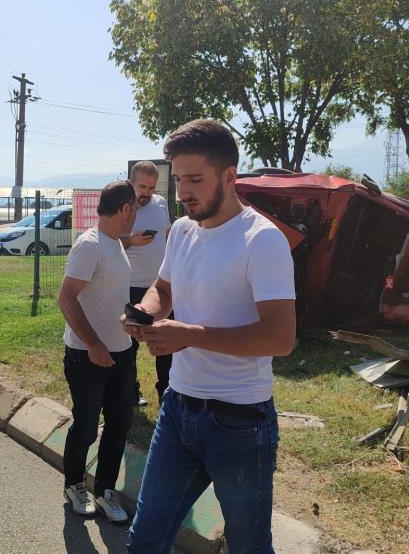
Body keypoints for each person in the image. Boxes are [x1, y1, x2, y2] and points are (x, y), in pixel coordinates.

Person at [124, 120, 296, 553]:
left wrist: (188, 335)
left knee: (248, 546)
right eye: (178, 179)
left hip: (239, 421)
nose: (183, 191)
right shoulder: (182, 231)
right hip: (177, 409)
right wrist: (146, 313)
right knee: (144, 541)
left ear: (229, 176)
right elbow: (163, 290)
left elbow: (280, 338)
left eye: (195, 179)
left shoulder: (262, 240)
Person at [57, 180, 138, 524]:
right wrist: (93, 344)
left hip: (122, 353)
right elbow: (66, 298)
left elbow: (109, 296)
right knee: (86, 427)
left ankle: (105, 491)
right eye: (135, 207)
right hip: (86, 356)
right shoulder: (90, 245)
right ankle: (75, 485)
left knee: (119, 426)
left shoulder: (116, 243)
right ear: (125, 208)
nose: (136, 215)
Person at [121, 161, 172, 406]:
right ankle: (131, 392)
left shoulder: (160, 204)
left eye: (152, 188)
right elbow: (107, 242)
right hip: (131, 285)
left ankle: (167, 394)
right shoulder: (122, 207)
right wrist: (131, 241)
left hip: (162, 287)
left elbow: (167, 234)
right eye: (142, 187)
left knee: (166, 343)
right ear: (131, 182)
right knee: (129, 345)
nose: (147, 193)